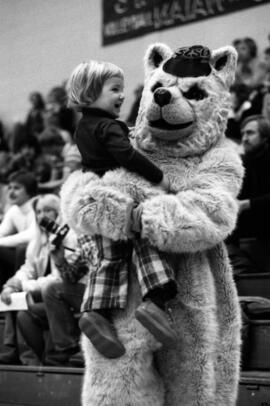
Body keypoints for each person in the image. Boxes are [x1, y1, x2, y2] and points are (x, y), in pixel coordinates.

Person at [66, 60, 178, 359]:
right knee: (145, 245)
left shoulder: (82, 128)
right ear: (90, 94)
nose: (122, 95)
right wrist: (159, 176)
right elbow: (124, 153)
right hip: (123, 196)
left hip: (97, 200)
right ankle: (155, 300)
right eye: (115, 89)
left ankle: (96, 313)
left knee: (109, 259)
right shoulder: (109, 126)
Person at [0, 194, 88, 366]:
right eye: (38, 211)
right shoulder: (37, 240)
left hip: (73, 291)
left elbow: (61, 278)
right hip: (49, 293)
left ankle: (63, 351)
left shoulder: (69, 236)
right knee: (23, 312)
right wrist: (13, 283)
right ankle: (37, 360)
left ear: (59, 213)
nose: (42, 215)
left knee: (46, 290)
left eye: (48, 210)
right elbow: (28, 269)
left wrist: (23, 286)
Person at [227, 115, 270, 274]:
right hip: (248, 240)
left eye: (250, 133)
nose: (244, 138)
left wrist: (247, 204)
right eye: (243, 133)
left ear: (265, 137)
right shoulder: (242, 163)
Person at [0, 170, 37, 289]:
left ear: (29, 191)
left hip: (39, 259)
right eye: (9, 187)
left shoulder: (39, 206)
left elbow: (31, 236)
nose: (11, 192)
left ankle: (14, 292)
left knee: (21, 249)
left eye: (17, 188)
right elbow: (1, 232)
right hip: (22, 258)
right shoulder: (14, 209)